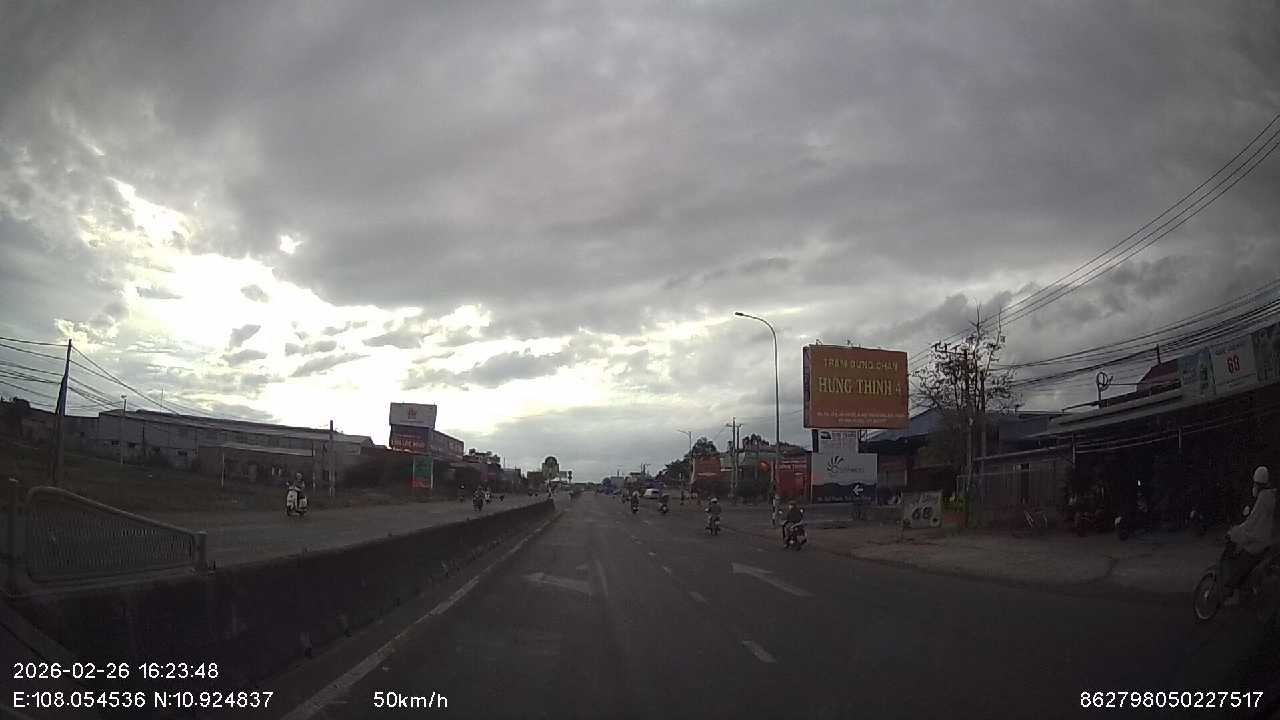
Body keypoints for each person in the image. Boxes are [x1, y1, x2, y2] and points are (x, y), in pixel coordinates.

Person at [1224, 466, 1276, 605]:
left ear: (1257, 483)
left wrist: (1235, 532)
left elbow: (1251, 523)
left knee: (1239, 564)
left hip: (1257, 543)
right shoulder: (1270, 497)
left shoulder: (1262, 499)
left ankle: (1235, 593)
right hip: (1265, 540)